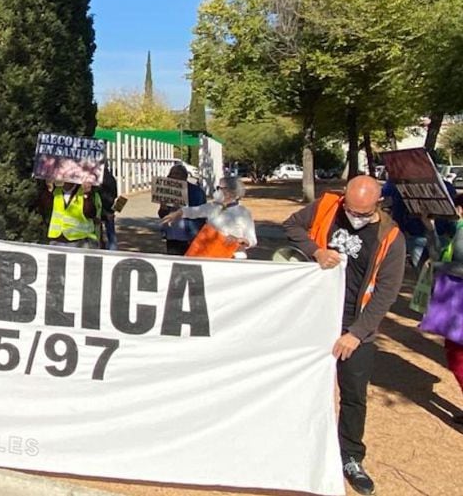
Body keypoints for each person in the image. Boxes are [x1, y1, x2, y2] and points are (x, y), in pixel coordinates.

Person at [282, 174, 404, 496]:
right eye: (351, 209)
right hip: (315, 318)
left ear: (378, 204)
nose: (355, 217)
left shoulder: (390, 236)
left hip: (354, 325)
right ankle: (296, 446)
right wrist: (315, 251)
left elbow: (387, 292)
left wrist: (357, 333)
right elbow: (291, 226)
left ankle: (350, 456)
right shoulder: (327, 206)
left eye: (363, 213)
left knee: (352, 396)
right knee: (301, 384)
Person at [418, 192, 463, 423]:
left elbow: (444, 263)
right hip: (454, 305)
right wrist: (429, 227)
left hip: (459, 307)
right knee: (455, 357)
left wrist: (440, 266)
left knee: (458, 360)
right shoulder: (458, 231)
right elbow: (437, 254)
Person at [161, 175, 255, 257]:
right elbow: (193, 211)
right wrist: (176, 214)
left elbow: (252, 240)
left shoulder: (244, 212)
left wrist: (239, 240)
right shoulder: (212, 207)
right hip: (211, 254)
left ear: (230, 192)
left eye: (219, 188)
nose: (216, 191)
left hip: (233, 257)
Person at [157, 164, 207, 255]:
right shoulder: (167, 191)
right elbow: (162, 215)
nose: (173, 177)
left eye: (176, 174)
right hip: (172, 236)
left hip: (190, 235)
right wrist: (163, 207)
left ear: (185, 176)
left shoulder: (196, 191)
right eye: (171, 175)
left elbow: (200, 214)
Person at [40, 179, 100, 249]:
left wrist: (86, 195)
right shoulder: (56, 191)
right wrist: (48, 190)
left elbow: (91, 213)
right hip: (57, 239)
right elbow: (45, 208)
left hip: (80, 239)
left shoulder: (85, 192)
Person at [97, 165, 120, 250]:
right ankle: (113, 250)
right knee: (111, 234)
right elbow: (115, 194)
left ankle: (100, 248)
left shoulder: (98, 180)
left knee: (98, 232)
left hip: (99, 209)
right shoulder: (112, 179)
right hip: (110, 210)